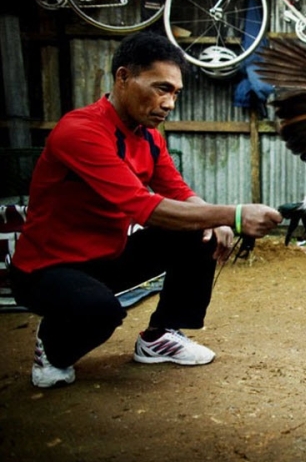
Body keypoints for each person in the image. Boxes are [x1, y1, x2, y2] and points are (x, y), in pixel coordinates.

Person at [9, 31, 283, 388]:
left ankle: (159, 336)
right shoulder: (80, 131)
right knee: (99, 311)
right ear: (123, 78)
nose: (169, 103)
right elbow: (143, 208)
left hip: (107, 259)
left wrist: (214, 219)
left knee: (198, 234)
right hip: (46, 271)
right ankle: (53, 346)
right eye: (160, 88)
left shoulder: (149, 136)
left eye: (175, 93)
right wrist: (232, 215)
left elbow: (179, 191)